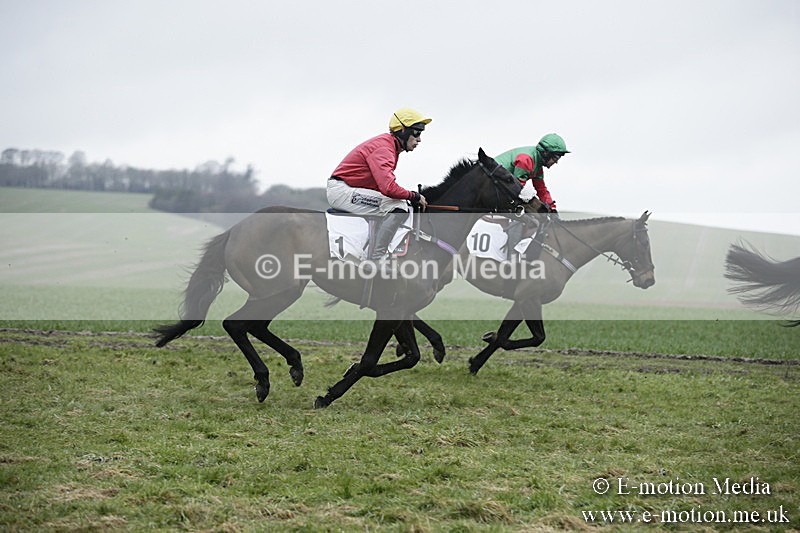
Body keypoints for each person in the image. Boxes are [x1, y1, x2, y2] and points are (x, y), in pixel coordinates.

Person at [327, 108, 431, 263]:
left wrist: (409, 197)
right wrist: (414, 195)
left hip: (347, 189)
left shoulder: (389, 146)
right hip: (342, 191)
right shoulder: (384, 149)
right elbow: (388, 187)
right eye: (416, 133)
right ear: (402, 130)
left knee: (400, 203)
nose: (419, 139)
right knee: (400, 207)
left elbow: (383, 188)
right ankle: (376, 259)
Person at [493, 133, 570, 259]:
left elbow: (541, 190)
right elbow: (517, 191)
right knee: (524, 217)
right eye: (556, 157)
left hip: (501, 187)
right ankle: (511, 256)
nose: (556, 162)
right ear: (545, 153)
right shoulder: (526, 160)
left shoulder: (537, 166)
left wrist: (553, 209)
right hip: (492, 187)